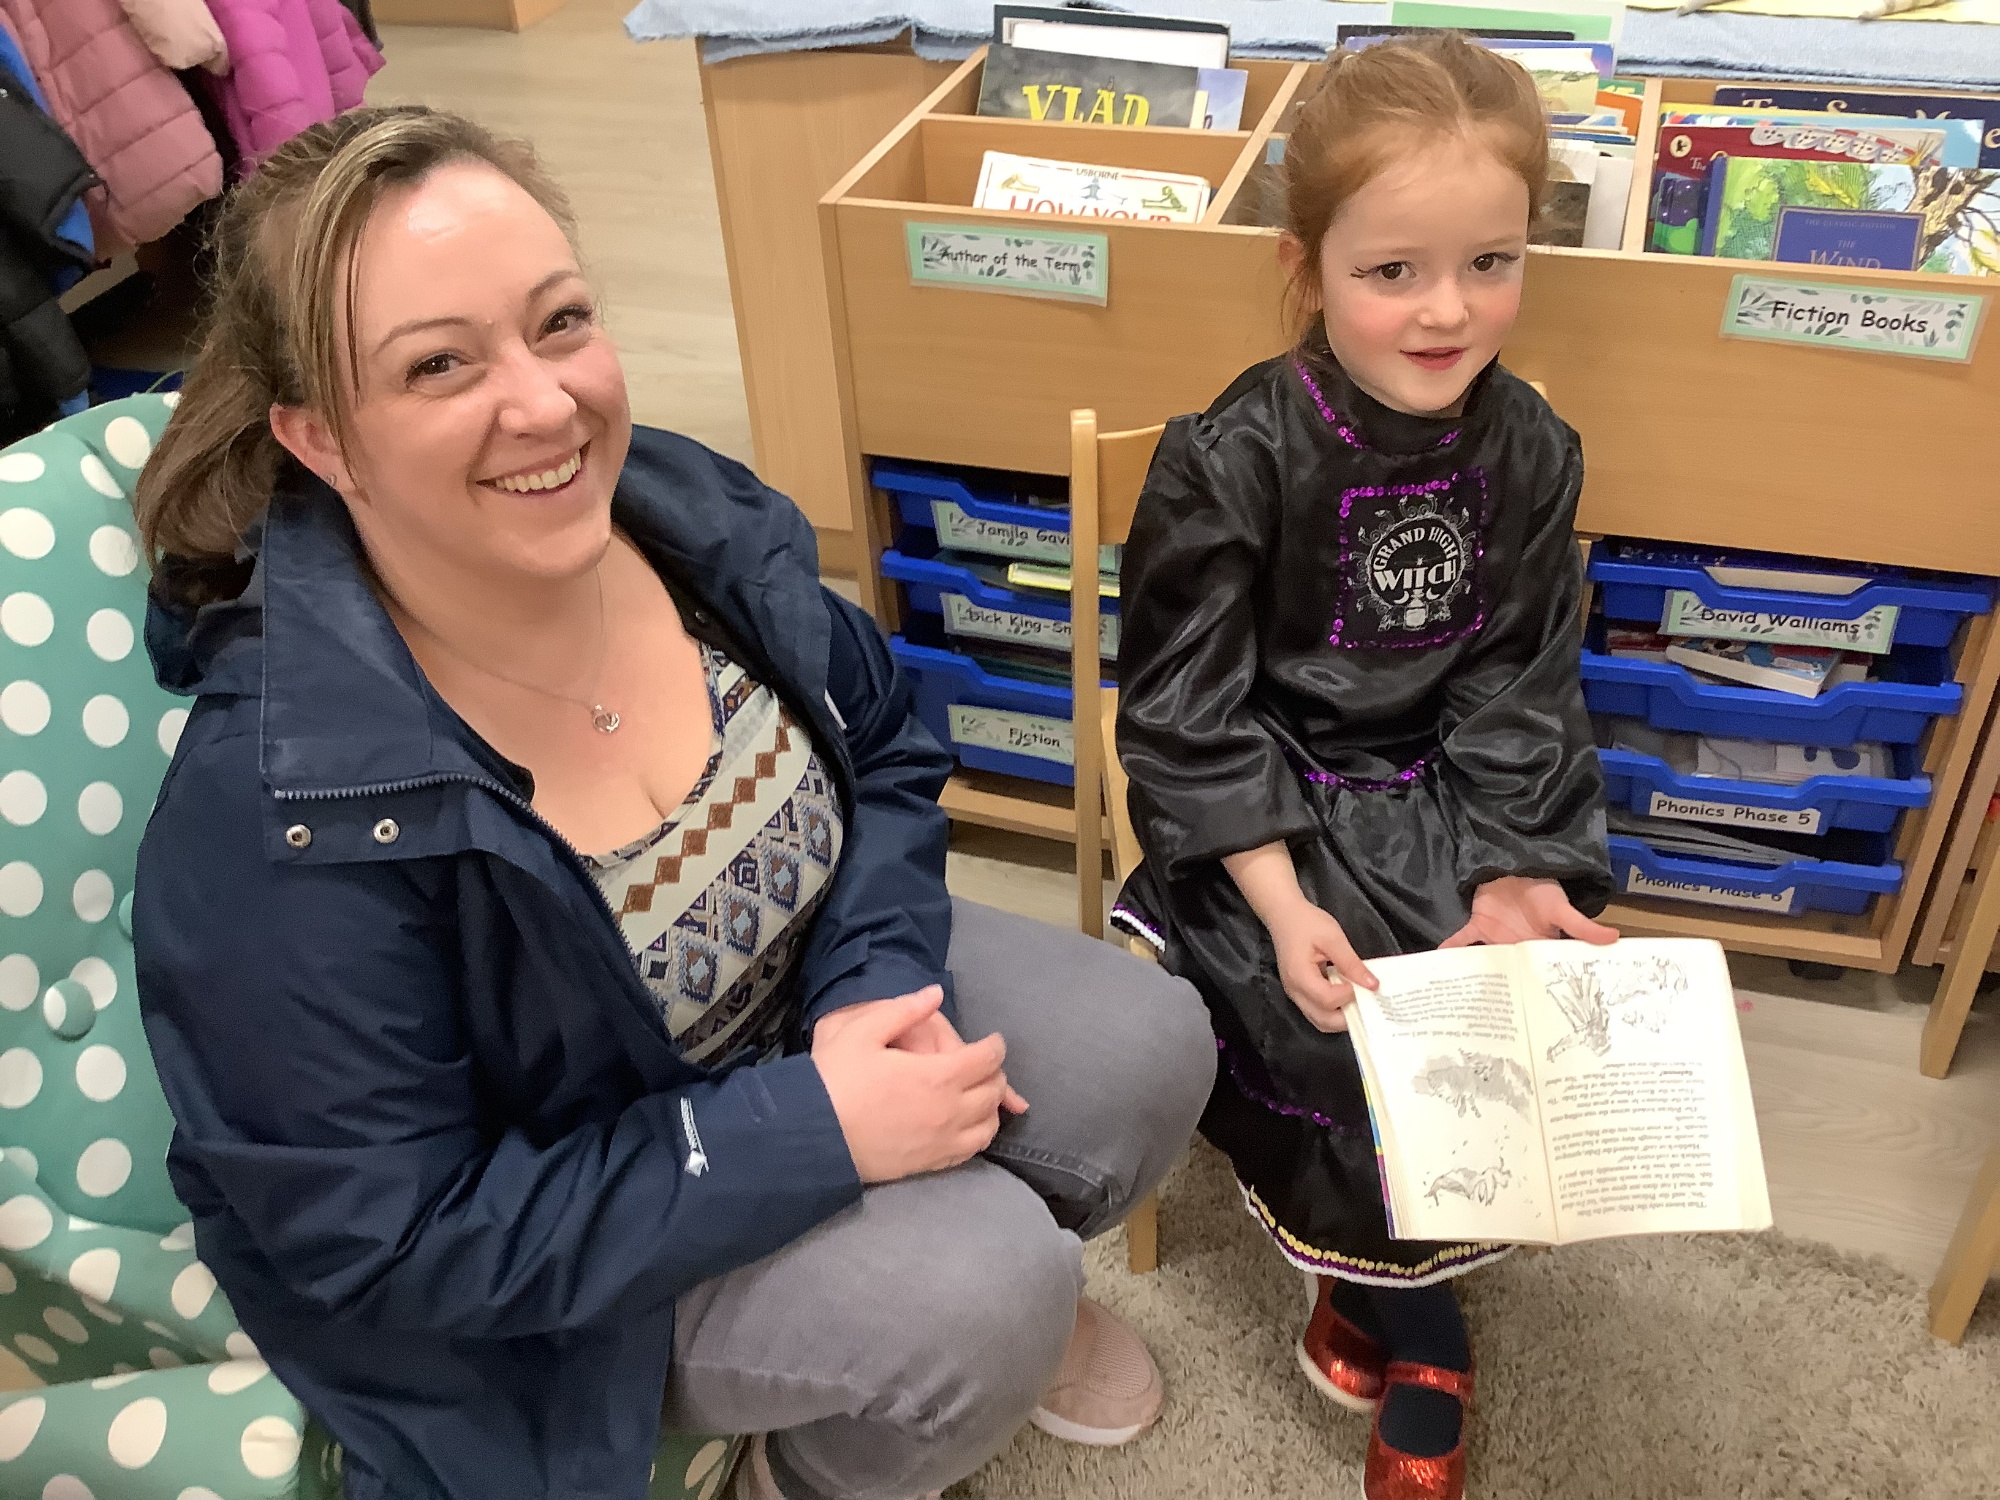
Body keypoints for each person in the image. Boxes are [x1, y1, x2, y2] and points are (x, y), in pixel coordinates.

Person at [130, 106, 1214, 1500]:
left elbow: (881, 736)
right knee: (984, 1288)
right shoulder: (270, 814)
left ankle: (932, 1293)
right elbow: (395, 1242)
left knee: (1146, 1043)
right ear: (323, 439)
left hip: (791, 1004)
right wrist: (807, 1133)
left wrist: (865, 982)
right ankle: (805, 1465)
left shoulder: (670, 508)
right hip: (581, 1228)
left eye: (560, 322)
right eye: (440, 364)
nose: (544, 404)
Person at [1109, 36, 1616, 1500]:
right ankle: (1422, 1314)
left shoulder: (1532, 447)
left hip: (1456, 784)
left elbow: (1522, 679)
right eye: (1393, 271)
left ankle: (1370, 1277)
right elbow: (1191, 706)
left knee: (1515, 987)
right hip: (1271, 799)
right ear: (1307, 266)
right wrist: (1276, 902)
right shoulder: (1233, 455)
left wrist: (1521, 864)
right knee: (1339, 1018)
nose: (1448, 309)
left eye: (1491, 261)